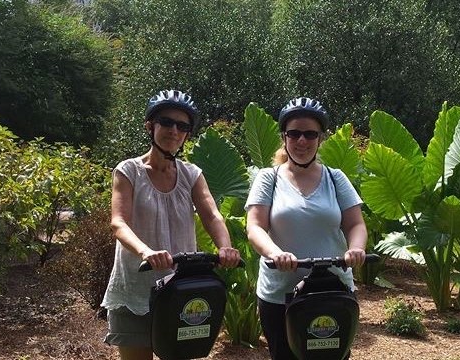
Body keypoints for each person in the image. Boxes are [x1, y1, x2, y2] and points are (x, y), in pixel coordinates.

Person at [101, 89, 241, 360]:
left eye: (182, 126)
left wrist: (226, 247)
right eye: (166, 122)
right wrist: (146, 252)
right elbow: (118, 222)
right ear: (150, 126)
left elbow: (212, 215)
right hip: (135, 288)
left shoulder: (192, 174)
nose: (174, 130)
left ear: (187, 134)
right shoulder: (128, 171)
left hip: (181, 287)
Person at [245, 97, 368, 360]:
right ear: (284, 137)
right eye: (294, 133)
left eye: (310, 134)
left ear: (320, 138)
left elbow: (355, 223)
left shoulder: (336, 178)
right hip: (281, 294)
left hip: (333, 288)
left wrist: (356, 248)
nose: (302, 141)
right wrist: (275, 253)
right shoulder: (270, 178)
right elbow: (255, 226)